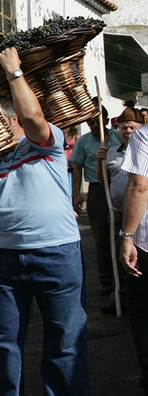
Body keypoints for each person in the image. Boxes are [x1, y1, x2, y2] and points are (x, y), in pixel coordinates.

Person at [0, 48, 90, 396]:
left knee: (64, 338)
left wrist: (13, 71)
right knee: (3, 338)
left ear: (10, 119)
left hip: (56, 253)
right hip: (4, 256)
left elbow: (34, 118)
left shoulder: (48, 142)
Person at [70, 104, 121, 295]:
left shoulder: (117, 137)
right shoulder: (83, 142)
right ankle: (107, 281)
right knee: (101, 238)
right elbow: (77, 168)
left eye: (95, 120)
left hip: (116, 187)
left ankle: (122, 279)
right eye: (89, 121)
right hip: (97, 191)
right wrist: (76, 194)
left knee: (119, 234)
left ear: (105, 121)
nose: (92, 124)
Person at [99, 102, 143, 314]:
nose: (127, 131)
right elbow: (104, 182)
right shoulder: (112, 152)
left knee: (139, 256)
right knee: (118, 256)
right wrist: (100, 163)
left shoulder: (144, 151)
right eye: (124, 127)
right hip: (117, 212)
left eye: (132, 126)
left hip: (140, 216)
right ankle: (120, 297)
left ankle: (137, 299)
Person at [119, 123, 148, 396]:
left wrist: (127, 236)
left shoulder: (145, 135)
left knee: (143, 314)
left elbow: (140, 185)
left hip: (147, 241)